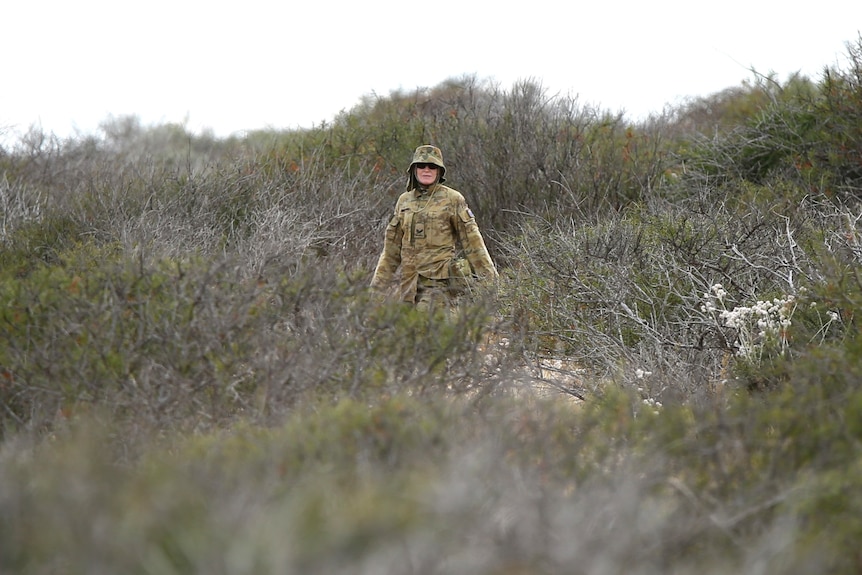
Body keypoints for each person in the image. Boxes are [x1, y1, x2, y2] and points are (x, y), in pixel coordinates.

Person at [370, 145, 498, 311]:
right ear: (414, 170)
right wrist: (375, 292)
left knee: (426, 328)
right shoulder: (404, 201)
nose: (426, 170)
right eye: (421, 166)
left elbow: (473, 243)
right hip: (409, 287)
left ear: (439, 171)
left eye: (432, 166)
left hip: (439, 286)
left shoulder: (453, 199)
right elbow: (391, 252)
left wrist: (491, 284)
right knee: (406, 332)